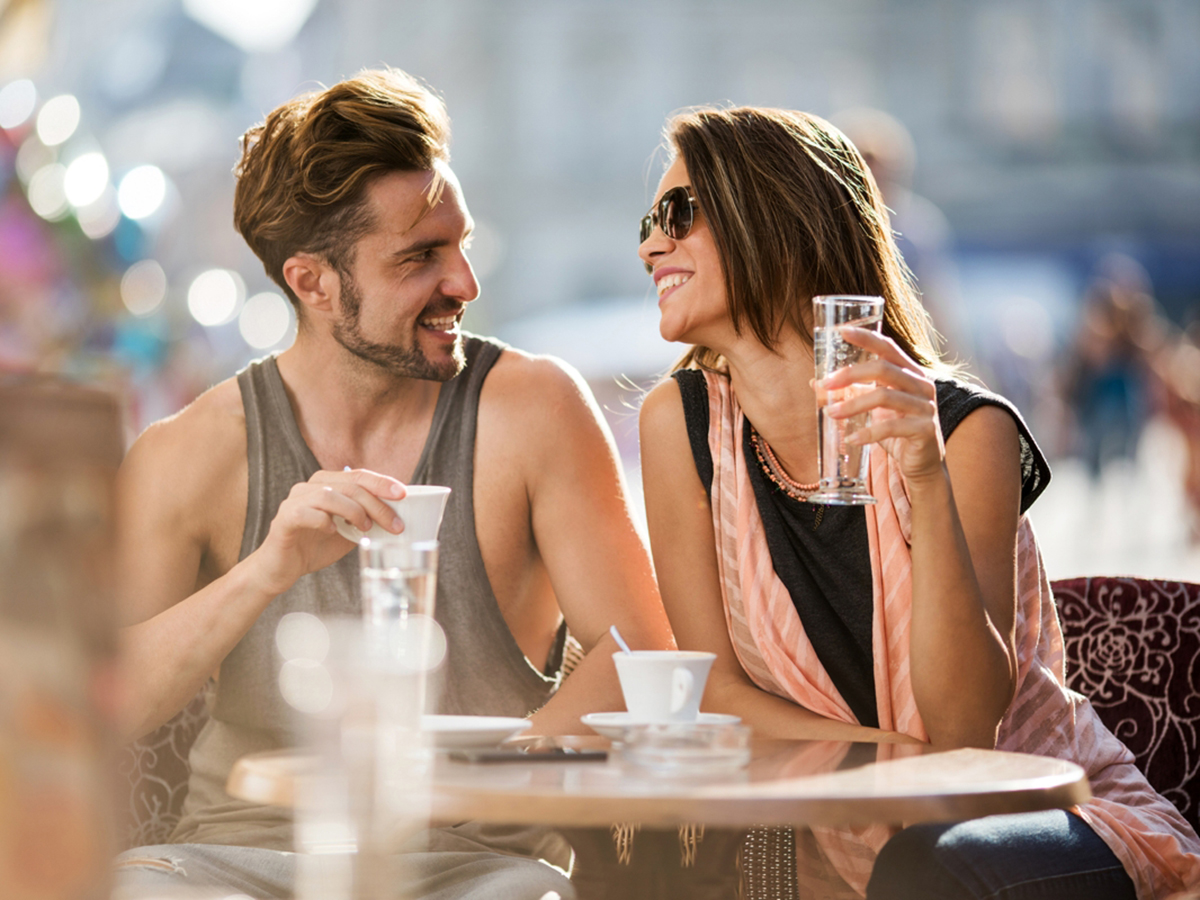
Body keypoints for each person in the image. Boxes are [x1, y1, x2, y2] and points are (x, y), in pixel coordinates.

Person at [112, 68, 673, 900]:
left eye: (462, 243)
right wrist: (267, 569)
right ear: (312, 282)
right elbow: (108, 702)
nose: (464, 284)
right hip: (226, 866)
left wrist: (496, 766)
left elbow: (639, 653)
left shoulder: (534, 410)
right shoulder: (190, 451)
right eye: (421, 257)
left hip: (477, 869)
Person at [636, 106, 1200, 900]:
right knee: (657, 861)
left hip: (1039, 811)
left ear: (778, 222)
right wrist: (880, 762)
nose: (651, 243)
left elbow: (966, 730)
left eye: (678, 214)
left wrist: (925, 478)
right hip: (843, 831)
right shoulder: (678, 425)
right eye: (648, 221)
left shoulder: (968, 431)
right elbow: (717, 691)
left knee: (924, 865)